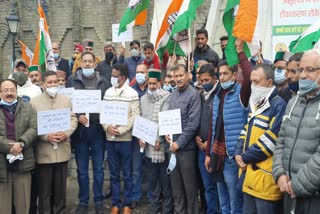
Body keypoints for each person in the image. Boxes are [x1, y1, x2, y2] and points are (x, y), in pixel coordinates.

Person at [204, 40, 252, 214]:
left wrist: (241, 53)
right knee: (223, 201)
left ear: (234, 75)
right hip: (218, 156)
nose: (222, 77)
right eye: (220, 74)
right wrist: (208, 153)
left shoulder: (241, 93)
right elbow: (212, 126)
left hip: (233, 156)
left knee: (235, 202)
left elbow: (249, 78)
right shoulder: (217, 95)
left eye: (225, 74)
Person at [234, 63, 286, 214]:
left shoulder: (278, 105)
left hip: (265, 180)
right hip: (249, 176)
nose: (253, 85)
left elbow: (270, 141)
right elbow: (245, 129)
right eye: (251, 81)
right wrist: (238, 151)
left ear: (269, 83)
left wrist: (244, 157)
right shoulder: (256, 102)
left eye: (257, 82)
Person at [273, 49, 320, 213]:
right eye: (301, 69)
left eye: (310, 70)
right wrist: (280, 174)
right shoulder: (293, 102)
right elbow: (281, 142)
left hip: (313, 197)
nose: (303, 75)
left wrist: (298, 185)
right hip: (289, 191)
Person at [67, 51, 110, 214]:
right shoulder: (72, 81)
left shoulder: (103, 81)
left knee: (99, 169)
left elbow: (108, 103)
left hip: (98, 131)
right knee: (82, 170)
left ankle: (98, 201)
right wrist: (77, 116)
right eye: (84, 61)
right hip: (80, 134)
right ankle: (83, 201)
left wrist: (102, 116)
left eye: (89, 62)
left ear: (94, 64)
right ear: (80, 63)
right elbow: (67, 103)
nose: (86, 64)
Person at [30, 71, 78, 213]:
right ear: (43, 84)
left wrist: (66, 133)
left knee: (60, 190)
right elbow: (33, 125)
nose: (53, 85)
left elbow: (73, 119)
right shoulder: (34, 102)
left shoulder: (66, 100)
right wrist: (46, 137)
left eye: (55, 82)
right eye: (50, 82)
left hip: (62, 151)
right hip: (44, 153)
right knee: (44, 192)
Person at [103, 64, 140, 214]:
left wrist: (122, 130)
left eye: (115, 75)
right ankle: (115, 203)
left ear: (123, 77)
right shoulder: (108, 92)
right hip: (110, 139)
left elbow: (135, 115)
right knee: (113, 173)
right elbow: (102, 113)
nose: (112, 78)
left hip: (125, 140)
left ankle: (127, 203)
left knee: (127, 173)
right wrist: (107, 127)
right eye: (112, 75)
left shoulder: (132, 93)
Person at [165, 64, 201, 214]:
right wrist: (167, 134)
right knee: (176, 189)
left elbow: (193, 124)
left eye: (181, 75)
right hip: (172, 149)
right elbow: (168, 119)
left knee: (190, 189)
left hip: (186, 150)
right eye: (175, 76)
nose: (178, 79)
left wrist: (179, 143)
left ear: (187, 75)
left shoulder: (193, 95)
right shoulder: (172, 95)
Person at [0, 79, 37, 214]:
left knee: (23, 205)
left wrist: (21, 143)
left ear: (17, 91)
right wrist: (9, 147)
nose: (9, 93)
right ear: (0, 93)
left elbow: (34, 127)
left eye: (12, 90)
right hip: (1, 165)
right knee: (3, 207)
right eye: (5, 90)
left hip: (23, 162)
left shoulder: (27, 107)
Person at [139, 70, 173, 214]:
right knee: (152, 180)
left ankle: (166, 209)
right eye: (150, 83)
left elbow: (165, 119)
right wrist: (141, 137)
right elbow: (141, 119)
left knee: (165, 182)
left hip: (162, 148)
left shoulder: (167, 97)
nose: (152, 86)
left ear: (159, 83)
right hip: (148, 147)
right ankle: (154, 207)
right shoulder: (143, 99)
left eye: (154, 83)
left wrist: (158, 139)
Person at [195, 64, 220, 214]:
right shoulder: (199, 95)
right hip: (200, 148)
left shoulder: (219, 94)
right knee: (206, 185)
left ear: (214, 78)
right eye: (201, 80)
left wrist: (208, 143)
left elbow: (218, 123)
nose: (204, 83)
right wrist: (197, 138)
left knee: (217, 185)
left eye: (207, 80)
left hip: (214, 148)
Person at [130, 63, 148, 208]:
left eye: (142, 72)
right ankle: (135, 196)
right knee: (135, 170)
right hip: (135, 137)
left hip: (151, 135)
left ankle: (153, 195)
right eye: (137, 72)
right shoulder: (131, 91)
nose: (140, 74)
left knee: (152, 169)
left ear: (147, 74)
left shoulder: (153, 88)